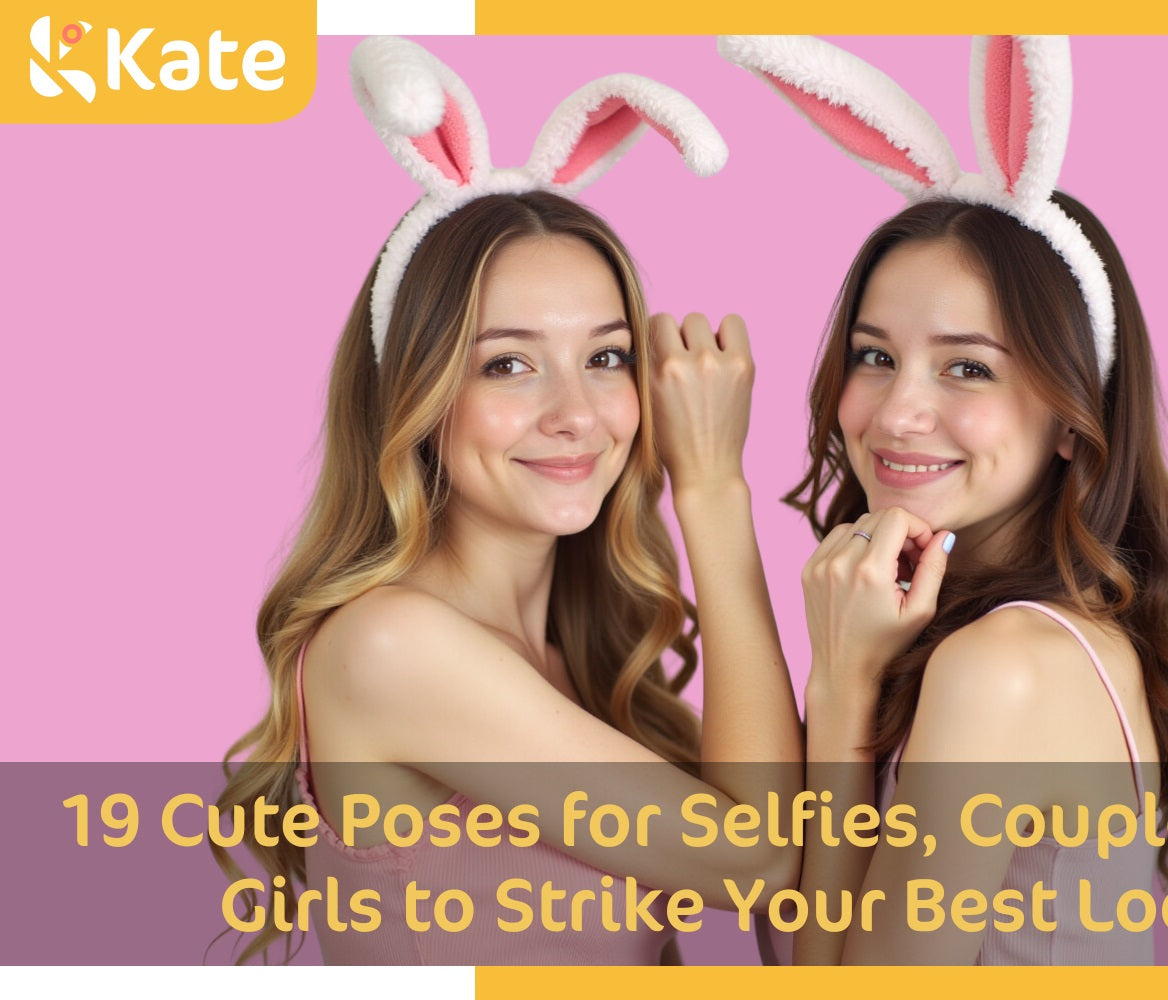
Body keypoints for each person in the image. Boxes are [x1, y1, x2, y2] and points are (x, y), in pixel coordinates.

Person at [215, 38, 799, 965]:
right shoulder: (390, 646)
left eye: (605, 358)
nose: (574, 415)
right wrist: (714, 486)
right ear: (417, 397)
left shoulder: (577, 659)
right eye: (509, 364)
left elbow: (794, 891)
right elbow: (760, 862)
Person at [722, 35, 1168, 964]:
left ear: (1073, 416)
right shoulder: (979, 636)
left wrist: (840, 686)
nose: (897, 411)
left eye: (968, 368)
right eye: (875, 356)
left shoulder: (1004, 663)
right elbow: (802, 944)